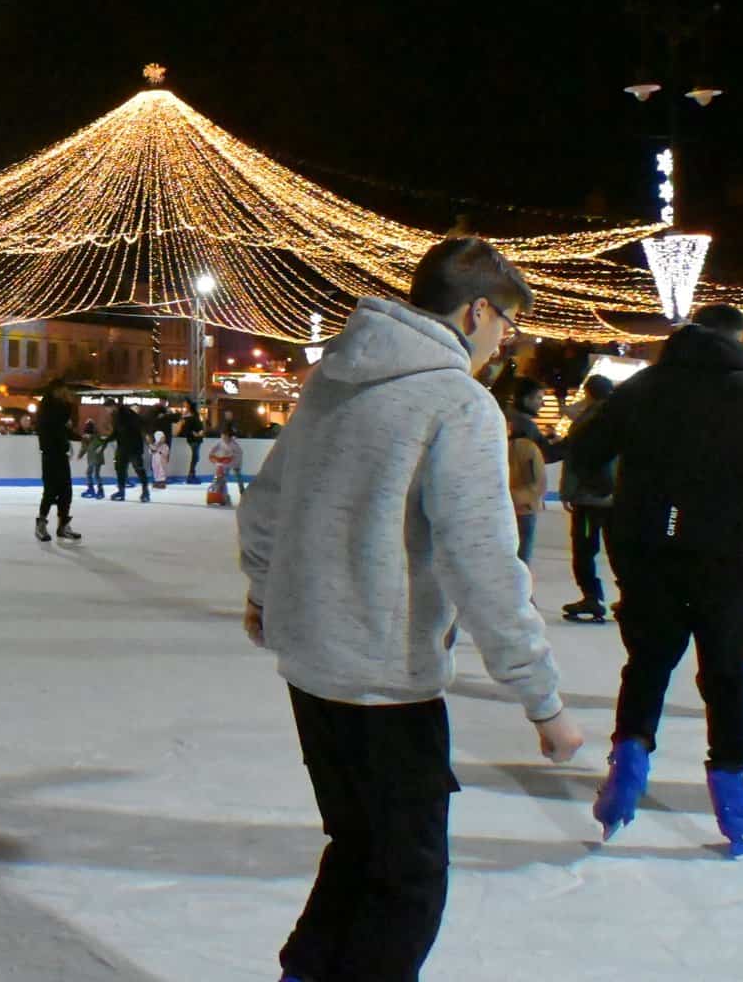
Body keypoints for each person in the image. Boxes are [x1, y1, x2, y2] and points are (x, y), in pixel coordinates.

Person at [239, 236, 579, 982]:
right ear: (476, 309)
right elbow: (483, 561)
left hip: (311, 664)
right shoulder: (457, 403)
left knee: (358, 847)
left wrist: (265, 592)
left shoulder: (333, 379)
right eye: (506, 326)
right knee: (408, 878)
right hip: (387, 677)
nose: (502, 344)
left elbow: (266, 503)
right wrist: (542, 699)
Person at [564, 302, 743, 856]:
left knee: (648, 664)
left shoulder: (644, 387)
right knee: (724, 676)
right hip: (724, 560)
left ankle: (627, 762)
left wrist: (635, 496)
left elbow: (584, 449)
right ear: (738, 340)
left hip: (649, 553)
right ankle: (734, 803)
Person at [552, 374, 617, 623]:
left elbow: (575, 461)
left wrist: (568, 493)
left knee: (585, 548)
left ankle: (591, 596)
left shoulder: (587, 422)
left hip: (589, 500)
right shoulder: (621, 417)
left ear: (588, 393)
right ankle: (631, 596)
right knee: (616, 549)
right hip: (614, 499)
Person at [33, 380, 80, 544]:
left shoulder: (61, 408)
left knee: (66, 491)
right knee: (50, 490)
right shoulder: (47, 410)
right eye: (64, 389)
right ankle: (41, 523)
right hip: (50, 455)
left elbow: (64, 430)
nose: (66, 392)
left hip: (61, 454)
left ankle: (63, 525)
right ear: (56, 390)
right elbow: (54, 429)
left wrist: (78, 437)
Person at [508, 411, 546, 566]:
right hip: (527, 505)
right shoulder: (531, 448)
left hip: (508, 502)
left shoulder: (504, 445)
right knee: (524, 551)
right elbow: (537, 479)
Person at [108, 399, 151, 503]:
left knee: (138, 469)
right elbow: (116, 432)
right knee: (120, 469)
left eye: (108, 408)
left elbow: (141, 424)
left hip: (134, 447)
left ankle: (145, 491)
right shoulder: (115, 416)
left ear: (113, 406)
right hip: (122, 447)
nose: (108, 411)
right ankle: (121, 491)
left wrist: (147, 434)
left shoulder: (128, 413)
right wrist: (106, 440)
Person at [206, 428, 240, 506]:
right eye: (222, 436)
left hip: (229, 463)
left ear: (229, 437)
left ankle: (224, 496)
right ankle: (219, 495)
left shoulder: (233, 445)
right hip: (220, 463)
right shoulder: (220, 442)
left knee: (222, 479)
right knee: (218, 479)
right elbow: (212, 450)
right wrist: (212, 455)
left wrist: (232, 460)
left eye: (225, 437)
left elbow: (237, 455)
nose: (223, 438)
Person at [80, 419, 109, 498]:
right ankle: (91, 489)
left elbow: (103, 443)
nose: (87, 436)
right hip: (91, 459)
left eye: (88, 434)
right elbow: (84, 448)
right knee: (89, 473)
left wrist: (100, 449)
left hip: (97, 459)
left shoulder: (97, 438)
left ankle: (100, 490)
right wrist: (80, 455)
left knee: (96, 474)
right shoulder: (86, 439)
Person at [180, 399, 207, 484]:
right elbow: (186, 429)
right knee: (195, 457)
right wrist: (194, 433)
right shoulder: (188, 416)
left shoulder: (194, 416)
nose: (184, 406)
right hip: (193, 439)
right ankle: (191, 475)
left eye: (185, 404)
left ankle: (191, 475)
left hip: (196, 438)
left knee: (196, 457)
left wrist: (200, 432)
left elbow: (200, 426)